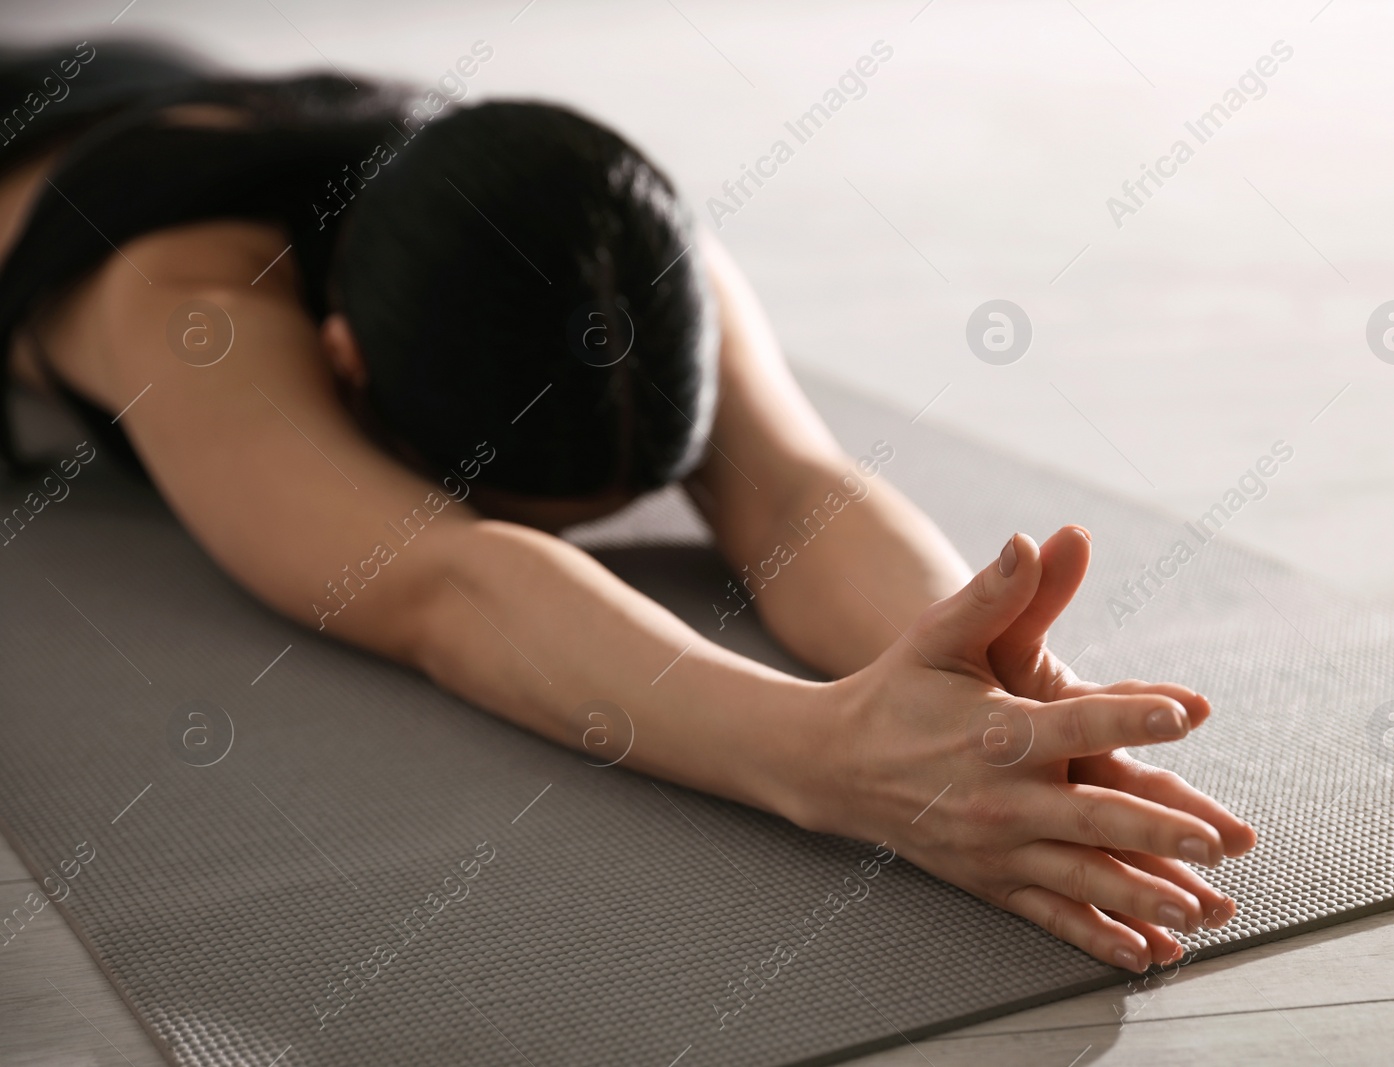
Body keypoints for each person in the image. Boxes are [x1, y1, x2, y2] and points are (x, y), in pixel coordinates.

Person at [0, 39, 1254, 973]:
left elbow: (794, 495)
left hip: (200, 92)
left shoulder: (618, 230)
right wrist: (833, 762)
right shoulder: (183, 301)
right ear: (344, 364)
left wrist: (1012, 693)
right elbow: (450, 579)